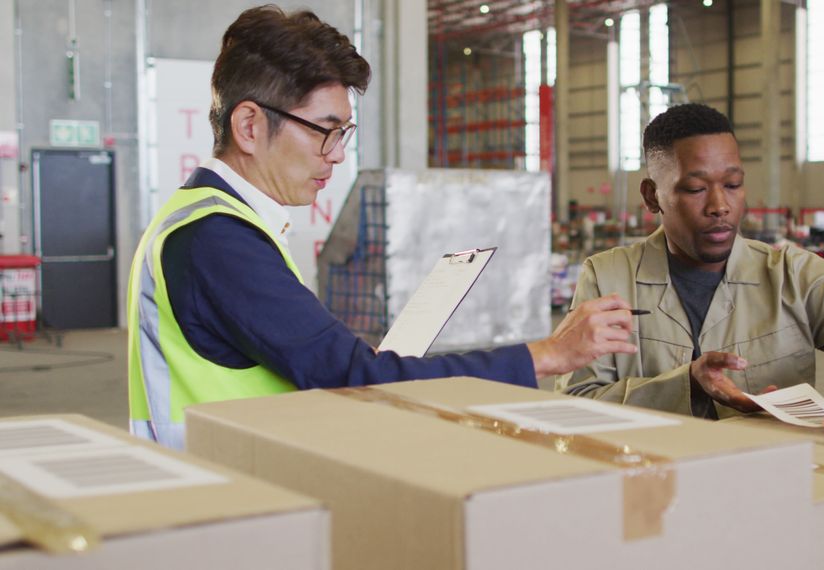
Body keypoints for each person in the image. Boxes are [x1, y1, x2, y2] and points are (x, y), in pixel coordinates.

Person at [128, 6, 637, 450]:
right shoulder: (217, 241)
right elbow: (355, 379)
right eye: (325, 131)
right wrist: (547, 354)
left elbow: (313, 361)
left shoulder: (210, 222)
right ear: (249, 126)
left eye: (343, 133)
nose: (338, 154)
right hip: (226, 505)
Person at [556, 103, 824, 435]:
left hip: (769, 480)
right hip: (648, 488)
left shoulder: (790, 274)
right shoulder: (607, 278)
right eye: (695, 189)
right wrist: (687, 385)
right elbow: (575, 402)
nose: (719, 205)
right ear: (651, 195)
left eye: (733, 184)